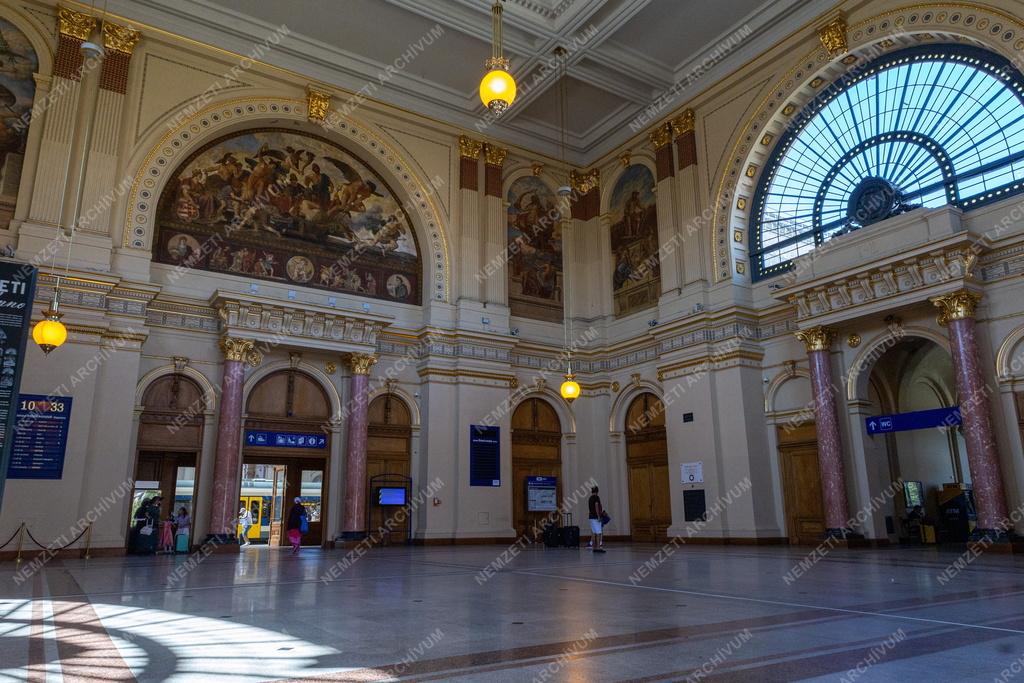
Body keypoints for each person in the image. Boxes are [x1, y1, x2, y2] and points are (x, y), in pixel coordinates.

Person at [588, 486, 606, 553]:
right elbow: (596, 506)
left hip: (591, 517)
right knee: (598, 533)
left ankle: (594, 548)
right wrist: (598, 516)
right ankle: (598, 548)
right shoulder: (596, 497)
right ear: (597, 491)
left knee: (593, 533)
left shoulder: (590, 498)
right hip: (595, 517)